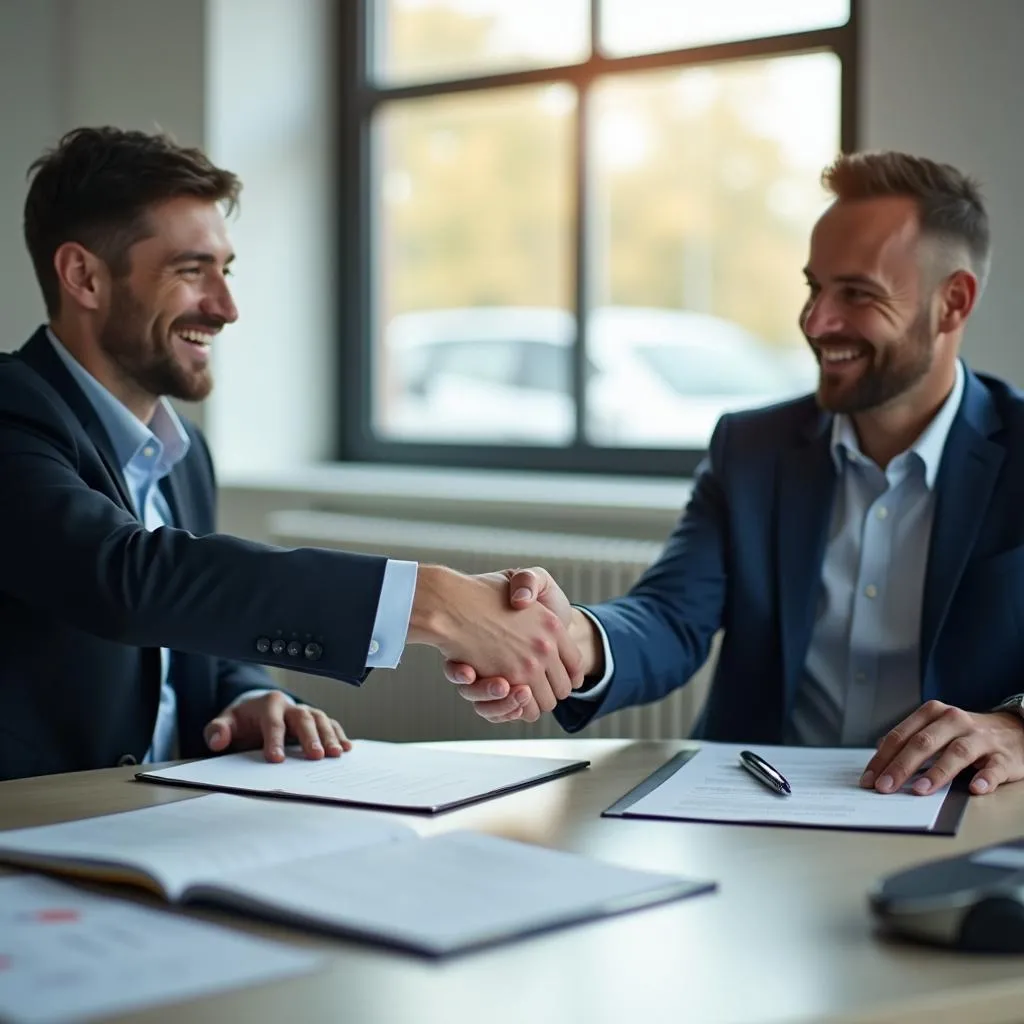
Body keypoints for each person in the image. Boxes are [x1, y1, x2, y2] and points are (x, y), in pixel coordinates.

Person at [0, 126, 581, 781]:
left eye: (226, 271)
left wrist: (246, 696)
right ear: (84, 276)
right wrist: (436, 601)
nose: (226, 307)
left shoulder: (184, 457)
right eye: (192, 271)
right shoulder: (10, 409)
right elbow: (126, 581)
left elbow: (190, 620)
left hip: (165, 822)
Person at [448, 150, 1024, 798]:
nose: (816, 321)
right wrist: (575, 639)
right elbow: (670, 616)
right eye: (814, 287)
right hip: (752, 802)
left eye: (857, 293)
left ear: (953, 303)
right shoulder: (751, 448)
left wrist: (1017, 725)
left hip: (959, 818)